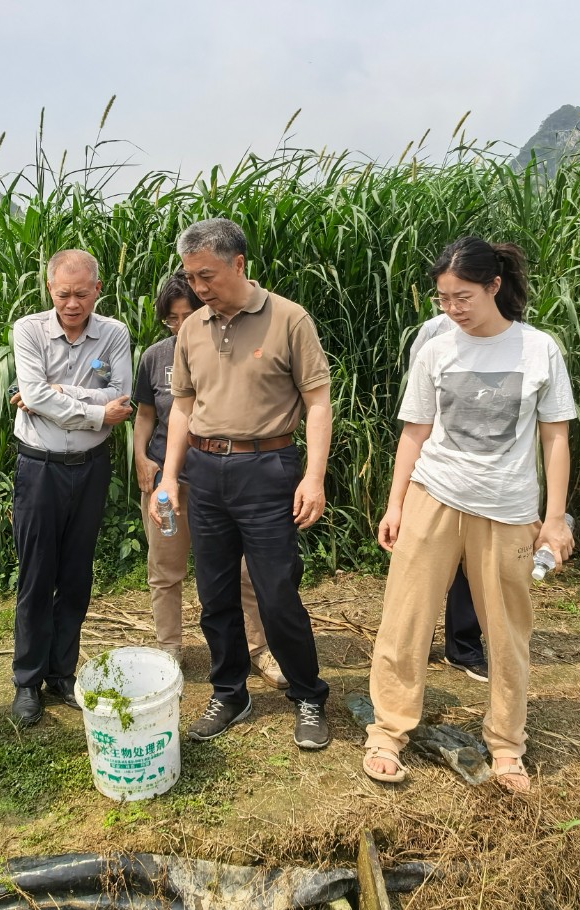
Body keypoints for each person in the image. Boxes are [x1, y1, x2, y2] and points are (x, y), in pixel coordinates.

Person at [363, 237, 576, 794]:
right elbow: (415, 430)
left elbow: (555, 438)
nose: (452, 308)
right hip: (433, 495)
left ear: (494, 286)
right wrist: (395, 503)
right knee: (405, 619)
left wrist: (553, 519)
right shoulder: (436, 347)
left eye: (462, 296)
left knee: (507, 633)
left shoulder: (537, 349)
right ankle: (387, 731)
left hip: (507, 509)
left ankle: (507, 745)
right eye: (442, 298)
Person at [151, 218, 333, 748]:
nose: (199, 288)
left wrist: (313, 477)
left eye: (207, 275)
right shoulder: (192, 328)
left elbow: (318, 402)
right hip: (205, 474)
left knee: (277, 592)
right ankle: (229, 691)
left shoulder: (288, 319)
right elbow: (183, 407)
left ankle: (306, 694)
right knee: (214, 593)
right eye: (191, 277)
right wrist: (169, 477)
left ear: (239, 264)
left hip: (267, 470)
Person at [134, 270, 286, 688]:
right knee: (165, 569)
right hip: (168, 483)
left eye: (188, 314)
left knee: (242, 571)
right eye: (172, 318)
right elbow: (145, 415)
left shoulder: (226, 351)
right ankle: (170, 649)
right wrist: (141, 460)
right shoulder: (154, 357)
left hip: (217, 479)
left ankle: (258, 648)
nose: (180, 325)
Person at [8, 249, 133, 726]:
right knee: (37, 576)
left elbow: (118, 394)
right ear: (49, 291)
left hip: (91, 467)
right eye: (64, 294)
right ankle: (27, 680)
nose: (73, 303)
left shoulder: (114, 333)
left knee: (77, 574)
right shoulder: (30, 330)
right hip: (40, 468)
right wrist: (97, 413)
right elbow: (35, 394)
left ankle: (62, 673)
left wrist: (60, 395)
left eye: (82, 293)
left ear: (97, 290)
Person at [409, 313, 488, 683]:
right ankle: (413, 646)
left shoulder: (515, 334)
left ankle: (464, 647)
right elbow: (418, 405)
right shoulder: (434, 331)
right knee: (422, 564)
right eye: (446, 296)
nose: (457, 305)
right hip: (436, 467)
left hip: (485, 470)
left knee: (472, 566)